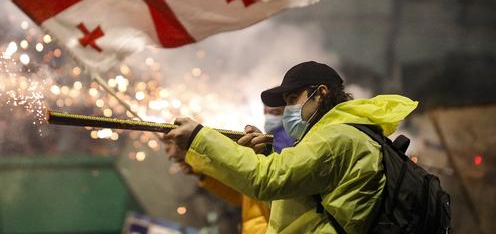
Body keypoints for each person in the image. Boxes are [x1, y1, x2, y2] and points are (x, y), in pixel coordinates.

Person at [166, 61, 418, 233]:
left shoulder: (338, 138)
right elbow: (289, 197)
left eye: (291, 100)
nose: (287, 112)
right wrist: (265, 154)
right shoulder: (341, 134)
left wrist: (199, 137)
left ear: (320, 93)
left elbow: (267, 179)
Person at [165, 105, 294, 234]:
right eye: (266, 113)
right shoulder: (271, 150)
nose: (268, 117)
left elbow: (264, 183)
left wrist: (196, 140)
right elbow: (242, 195)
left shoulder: (288, 148)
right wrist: (201, 173)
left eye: (274, 112)